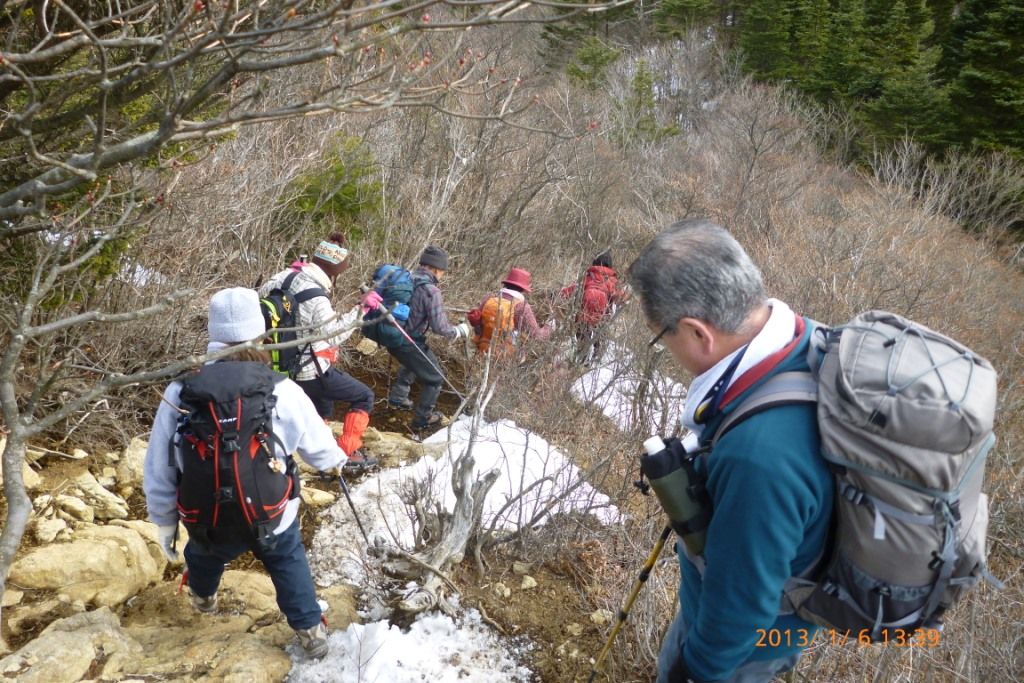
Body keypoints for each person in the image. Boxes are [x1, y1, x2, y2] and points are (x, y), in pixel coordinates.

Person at [627, 219, 833, 683]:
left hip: (748, 646)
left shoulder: (758, 456)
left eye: (663, 336)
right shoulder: (807, 340)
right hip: (769, 609)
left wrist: (694, 671)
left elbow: (741, 605)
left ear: (700, 333)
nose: (667, 349)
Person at [143, 287, 347, 659]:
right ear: (263, 334)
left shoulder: (181, 390)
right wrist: (338, 460)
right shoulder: (281, 389)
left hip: (207, 516)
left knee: (204, 553)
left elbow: (161, 464)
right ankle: (309, 629)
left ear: (213, 334)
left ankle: (203, 596)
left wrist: (164, 518)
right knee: (286, 557)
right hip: (271, 513)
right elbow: (319, 451)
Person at [259, 232, 376, 467]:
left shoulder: (282, 277)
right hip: (309, 370)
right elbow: (333, 335)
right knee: (364, 396)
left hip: (277, 364)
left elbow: (260, 297)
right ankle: (346, 452)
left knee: (321, 406)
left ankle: (320, 449)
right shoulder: (317, 297)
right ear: (333, 271)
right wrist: (361, 310)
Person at [379, 246, 470, 432]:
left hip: (392, 336)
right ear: (436, 269)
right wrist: (459, 331)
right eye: (443, 271)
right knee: (435, 378)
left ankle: (398, 398)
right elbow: (440, 328)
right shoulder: (431, 291)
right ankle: (422, 419)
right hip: (408, 341)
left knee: (416, 361)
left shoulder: (406, 279)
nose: (442, 275)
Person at [559, 250, 627, 364]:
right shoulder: (611, 280)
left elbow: (573, 289)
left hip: (583, 314)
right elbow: (620, 297)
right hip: (602, 318)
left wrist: (560, 293)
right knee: (600, 338)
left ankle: (581, 360)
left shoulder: (589, 276)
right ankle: (596, 359)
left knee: (582, 337)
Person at [467, 266, 553, 355]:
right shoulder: (521, 307)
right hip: (503, 357)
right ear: (523, 289)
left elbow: (478, 324)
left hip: (480, 351)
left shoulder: (489, 297)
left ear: (506, 283)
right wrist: (549, 326)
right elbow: (537, 337)